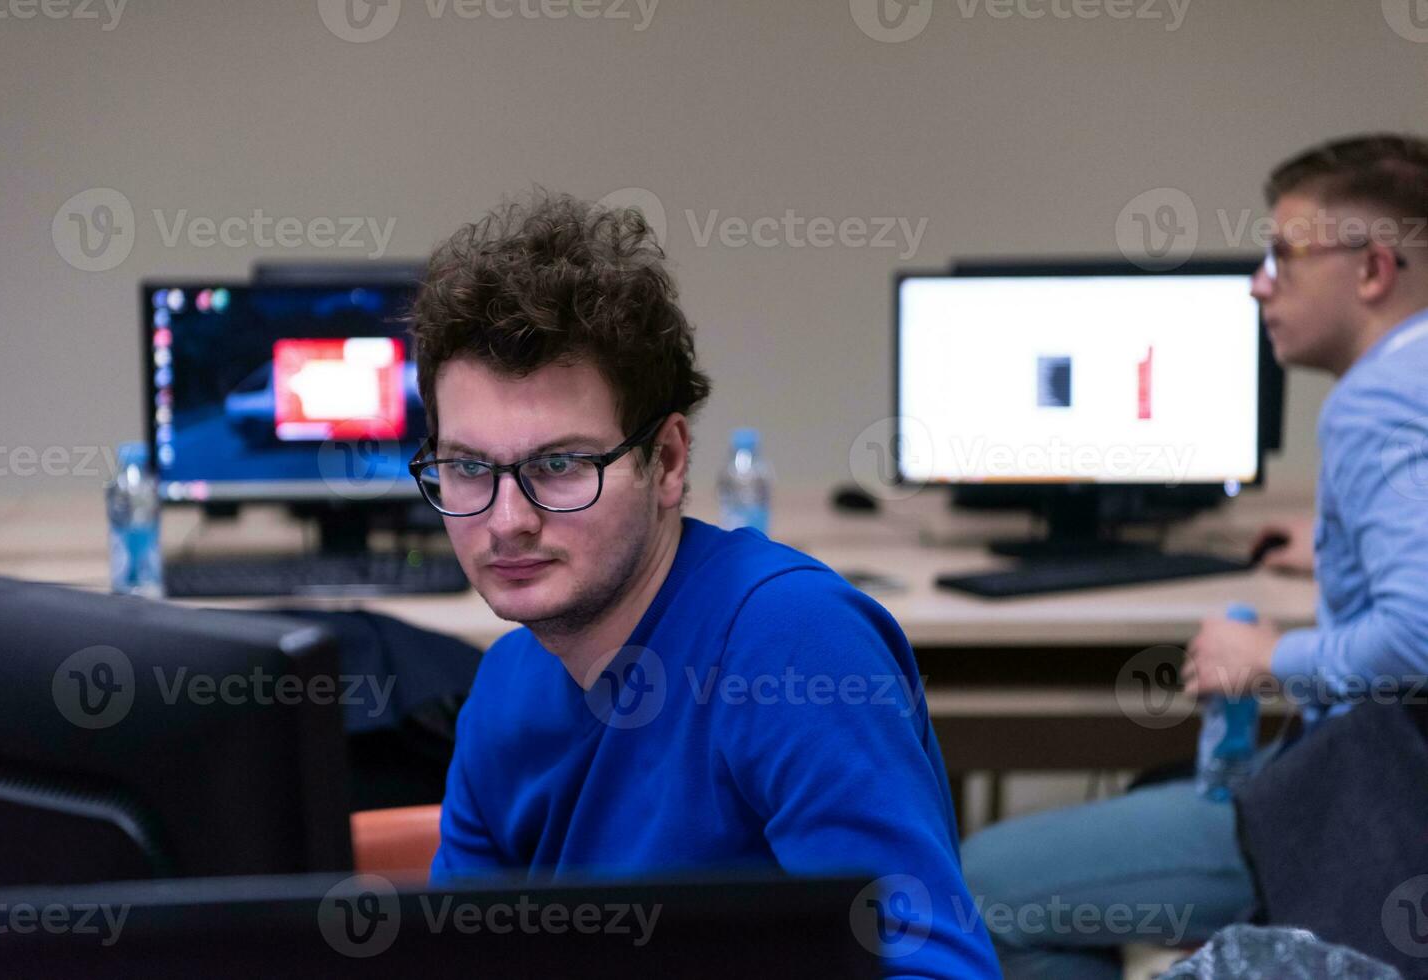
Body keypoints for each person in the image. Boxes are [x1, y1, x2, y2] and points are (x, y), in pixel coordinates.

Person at [411, 192, 1001, 978]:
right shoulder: (504, 689)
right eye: (468, 467)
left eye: (559, 466)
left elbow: (933, 972)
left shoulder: (788, 644)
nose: (507, 519)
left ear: (670, 461)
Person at [961, 133, 1428, 979]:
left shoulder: (1378, 404)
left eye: (1283, 255)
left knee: (974, 891)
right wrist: (1339, 561)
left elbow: (1419, 640)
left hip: (1377, 810)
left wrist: (1267, 657)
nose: (1258, 282)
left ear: (1371, 271)